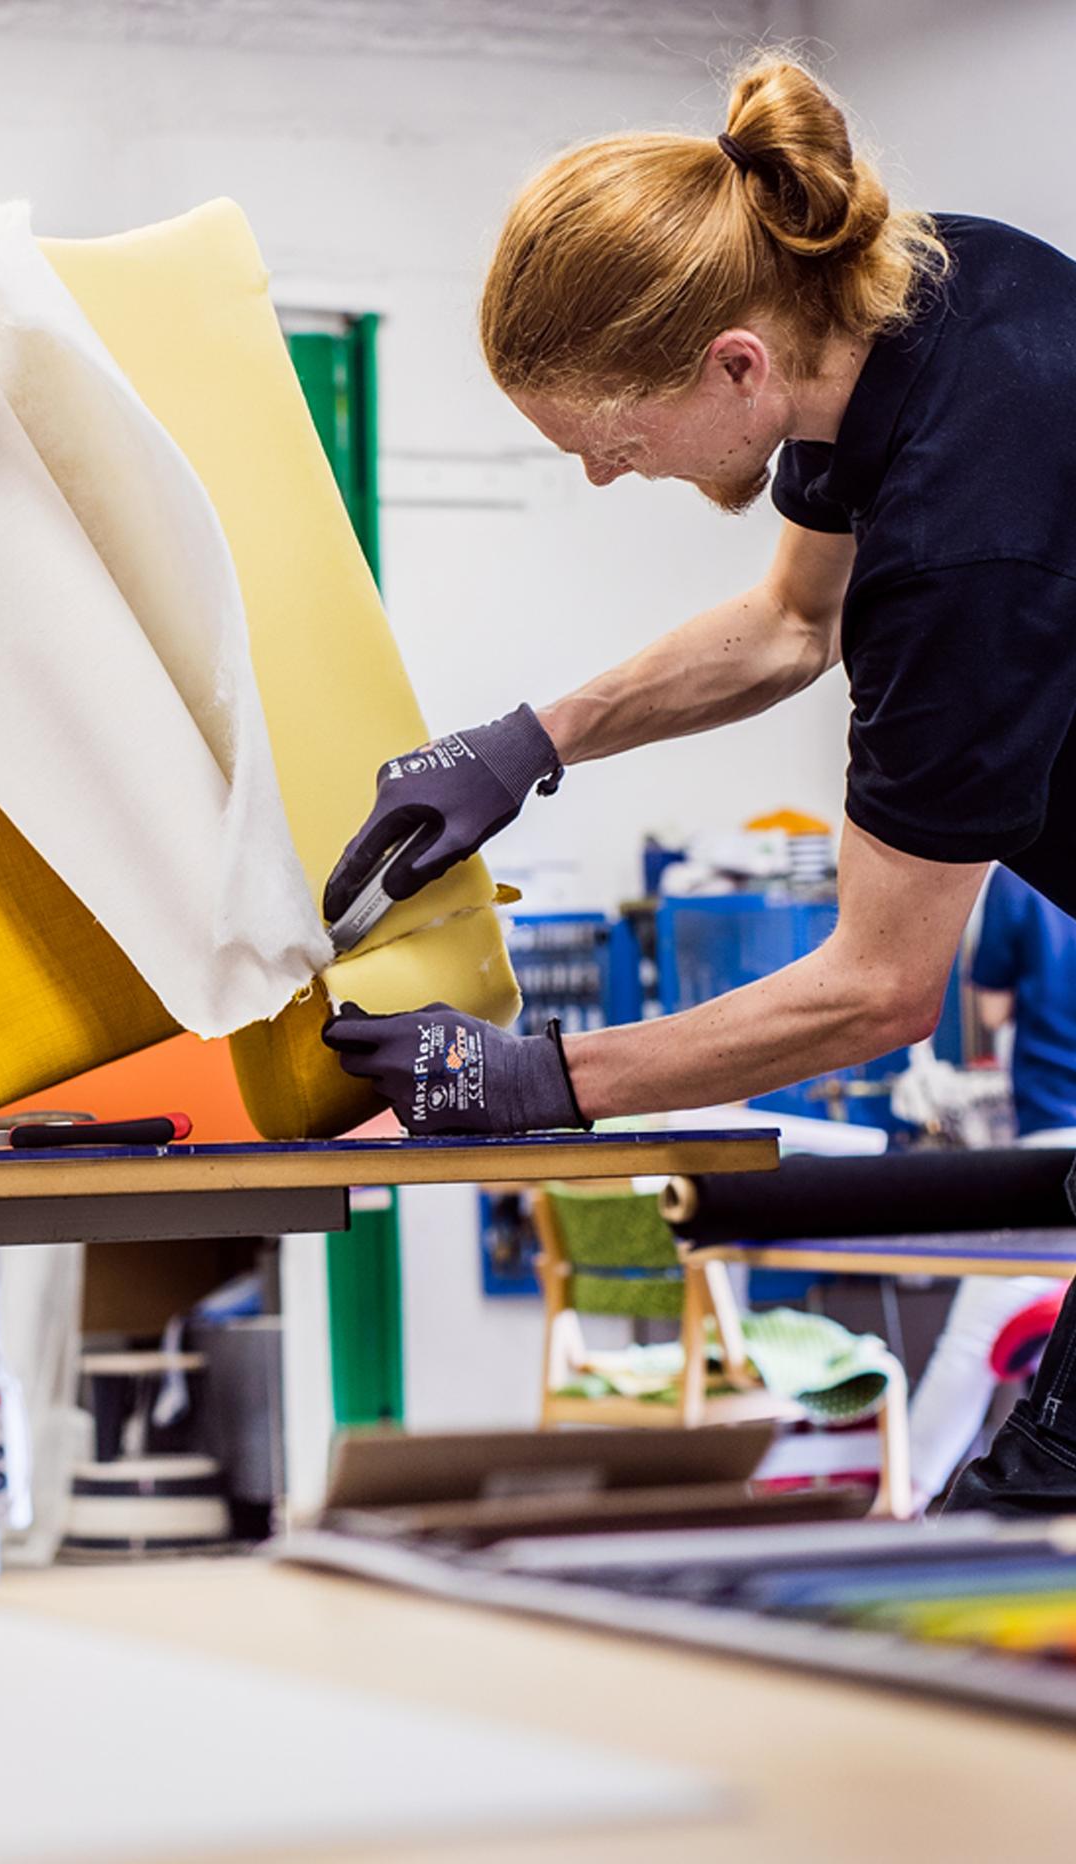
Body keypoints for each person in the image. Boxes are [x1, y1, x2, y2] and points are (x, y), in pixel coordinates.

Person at [318, 57, 1076, 1514]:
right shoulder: (912, 298)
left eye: (614, 442)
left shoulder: (960, 548)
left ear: (733, 365)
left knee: (1030, 1523)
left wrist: (542, 1080)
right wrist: (527, 742)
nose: (609, 479)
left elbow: (876, 989)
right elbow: (792, 624)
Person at [907, 867, 1076, 1508]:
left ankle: (905, 1501)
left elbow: (992, 1007)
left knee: (971, 1339)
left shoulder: (1024, 872)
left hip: (1053, 1130)